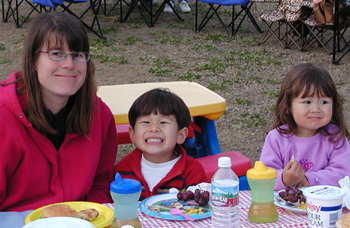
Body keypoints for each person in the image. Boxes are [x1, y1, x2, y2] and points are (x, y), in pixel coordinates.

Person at [0, 11, 118, 211]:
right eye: (56, 53)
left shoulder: (99, 115)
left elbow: (101, 183)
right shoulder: (4, 117)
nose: (69, 64)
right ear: (34, 60)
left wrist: (90, 216)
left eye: (77, 55)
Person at [260, 63, 350, 191]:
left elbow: (343, 176)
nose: (316, 109)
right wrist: (284, 179)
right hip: (283, 207)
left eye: (324, 102)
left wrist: (308, 179)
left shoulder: (336, 137)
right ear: (288, 106)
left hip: (326, 207)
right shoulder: (276, 138)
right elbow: (263, 177)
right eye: (307, 102)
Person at [114, 88, 207, 200]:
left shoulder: (192, 171)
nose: (154, 129)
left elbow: (201, 208)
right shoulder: (122, 170)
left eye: (163, 122)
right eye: (146, 122)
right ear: (133, 134)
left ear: (181, 135)